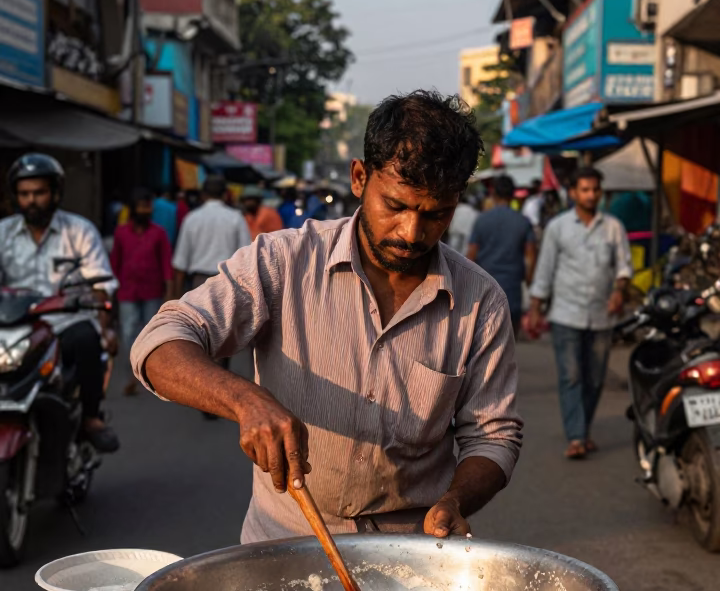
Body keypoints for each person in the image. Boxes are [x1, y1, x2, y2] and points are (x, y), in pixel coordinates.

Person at [131, 89, 523, 543]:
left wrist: (455, 500)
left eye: (435, 215)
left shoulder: (481, 301)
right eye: (395, 206)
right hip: (284, 543)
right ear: (359, 178)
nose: (411, 232)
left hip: (411, 551)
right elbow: (159, 341)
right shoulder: (281, 261)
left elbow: (494, 436)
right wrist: (244, 399)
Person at [0, 154, 119, 452]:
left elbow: (102, 284)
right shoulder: (3, 233)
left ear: (54, 193)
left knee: (88, 340)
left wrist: (105, 328)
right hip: (17, 328)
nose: (32, 201)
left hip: (66, 323)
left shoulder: (79, 231)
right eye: (25, 194)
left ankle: (91, 418)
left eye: (39, 193)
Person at [528, 165, 632, 460]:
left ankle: (583, 430)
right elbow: (545, 269)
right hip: (566, 314)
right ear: (573, 193)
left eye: (595, 189)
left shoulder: (613, 227)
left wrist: (619, 290)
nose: (590, 195)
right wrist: (535, 308)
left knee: (595, 378)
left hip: (602, 315)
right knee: (571, 375)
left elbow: (624, 266)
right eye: (584, 190)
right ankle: (576, 436)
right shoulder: (558, 227)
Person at [110, 187, 173, 396]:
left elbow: (165, 263)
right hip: (127, 290)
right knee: (128, 331)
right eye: (142, 206)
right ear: (133, 209)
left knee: (151, 330)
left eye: (149, 207)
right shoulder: (121, 233)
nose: (146, 210)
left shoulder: (158, 233)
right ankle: (136, 369)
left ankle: (146, 370)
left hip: (152, 289)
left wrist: (170, 291)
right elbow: (115, 262)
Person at [465, 175, 536, 336]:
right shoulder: (523, 221)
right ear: (512, 195)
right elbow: (531, 256)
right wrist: (529, 279)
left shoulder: (482, 220)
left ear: (493, 194)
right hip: (512, 290)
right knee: (509, 343)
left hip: (484, 290)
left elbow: (471, 255)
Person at [172, 175, 251, 297]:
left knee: (199, 316)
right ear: (225, 195)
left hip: (199, 284)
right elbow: (246, 257)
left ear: (203, 195)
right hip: (228, 283)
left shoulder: (191, 218)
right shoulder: (236, 218)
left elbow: (181, 263)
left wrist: (176, 297)